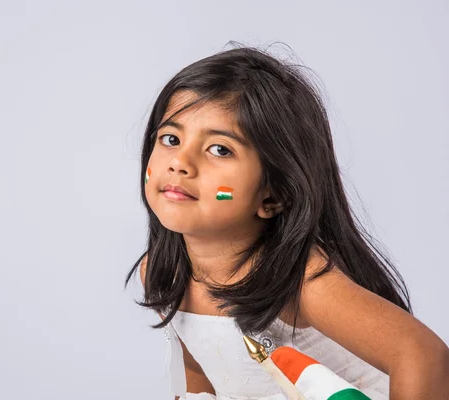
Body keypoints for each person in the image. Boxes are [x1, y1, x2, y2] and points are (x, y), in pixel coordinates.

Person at [124, 44, 449, 400]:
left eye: (220, 149)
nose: (180, 163)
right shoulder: (160, 270)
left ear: (273, 195)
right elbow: (198, 371)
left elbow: (421, 355)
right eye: (171, 139)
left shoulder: (301, 281)